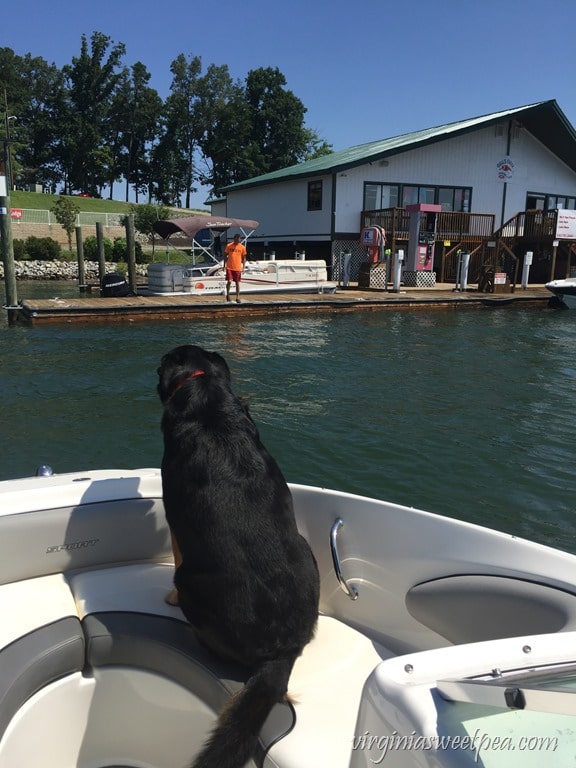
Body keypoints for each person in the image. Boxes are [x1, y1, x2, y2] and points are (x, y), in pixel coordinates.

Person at [224, 234, 247, 303]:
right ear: (234, 239)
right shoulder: (229, 246)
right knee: (229, 281)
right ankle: (228, 295)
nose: (237, 240)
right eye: (236, 239)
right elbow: (225, 255)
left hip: (237, 267)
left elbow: (244, 258)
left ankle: (237, 297)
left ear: (240, 239)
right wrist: (224, 265)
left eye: (238, 239)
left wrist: (243, 267)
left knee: (237, 282)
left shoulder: (242, 247)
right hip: (229, 266)